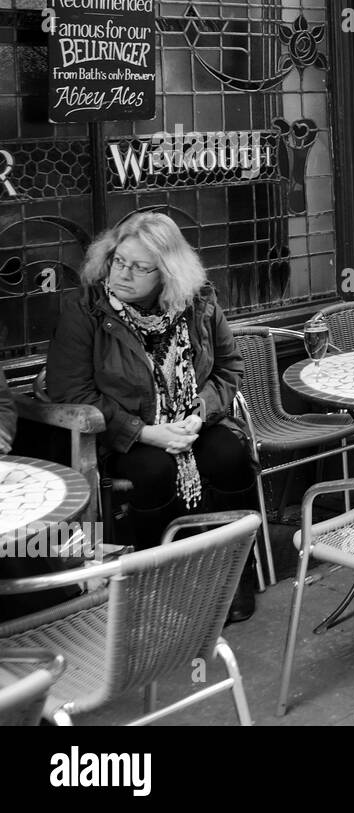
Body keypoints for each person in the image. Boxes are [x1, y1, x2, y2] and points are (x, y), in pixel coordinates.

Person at [46, 212, 259, 622]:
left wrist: (200, 413)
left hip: (191, 422)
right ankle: (161, 586)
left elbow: (229, 367)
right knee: (152, 471)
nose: (123, 274)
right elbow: (70, 392)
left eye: (139, 267)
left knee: (229, 456)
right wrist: (144, 431)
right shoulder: (85, 310)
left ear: (167, 273)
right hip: (121, 434)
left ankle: (234, 575)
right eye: (118, 261)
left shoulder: (198, 303)